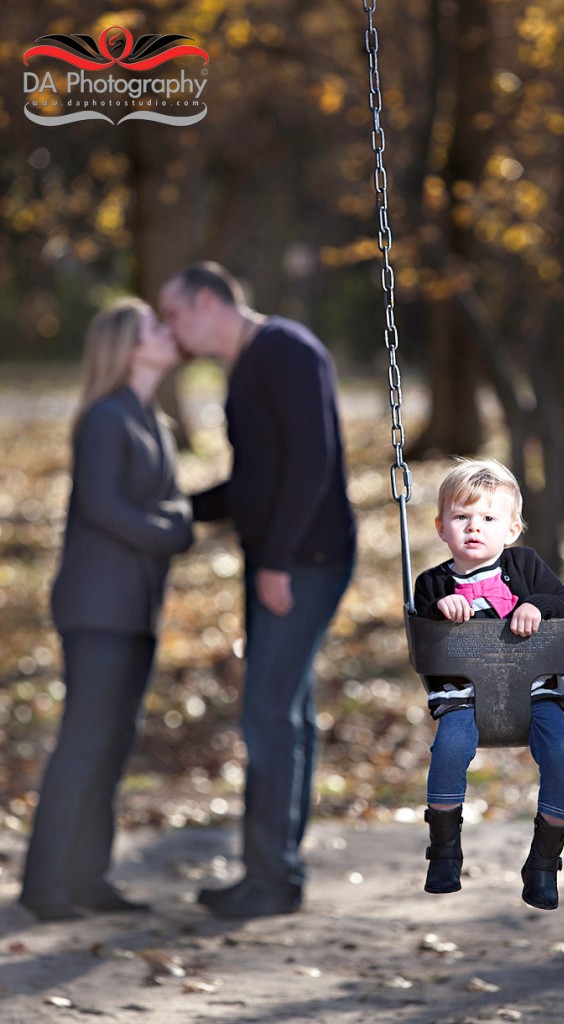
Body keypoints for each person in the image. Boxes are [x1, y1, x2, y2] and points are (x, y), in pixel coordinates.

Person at [159, 262, 356, 919]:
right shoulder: (248, 364)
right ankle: (277, 872)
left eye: (176, 313)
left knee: (268, 714)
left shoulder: (287, 350)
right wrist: (178, 507)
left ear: (210, 301)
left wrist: (277, 561)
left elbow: (312, 459)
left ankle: (270, 880)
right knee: (285, 713)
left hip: (307, 559)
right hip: (281, 559)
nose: (171, 328)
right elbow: (255, 481)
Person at [20, 298, 193, 922]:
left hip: (135, 609)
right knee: (84, 745)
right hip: (96, 609)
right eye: (153, 327)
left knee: (114, 744)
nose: (166, 332)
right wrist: (170, 530)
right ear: (127, 346)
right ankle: (44, 886)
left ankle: (88, 879)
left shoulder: (152, 418)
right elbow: (102, 505)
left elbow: (169, 506)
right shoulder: (105, 418)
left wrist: (171, 521)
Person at [414, 456, 564, 911]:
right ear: (441, 528)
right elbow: (424, 618)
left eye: (488, 518)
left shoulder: (524, 565)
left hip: (535, 693)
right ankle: (444, 854)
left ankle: (544, 864)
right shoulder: (432, 582)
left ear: (511, 529)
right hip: (464, 699)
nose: (474, 527)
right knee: (448, 751)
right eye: (461, 517)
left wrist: (536, 607)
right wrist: (442, 607)